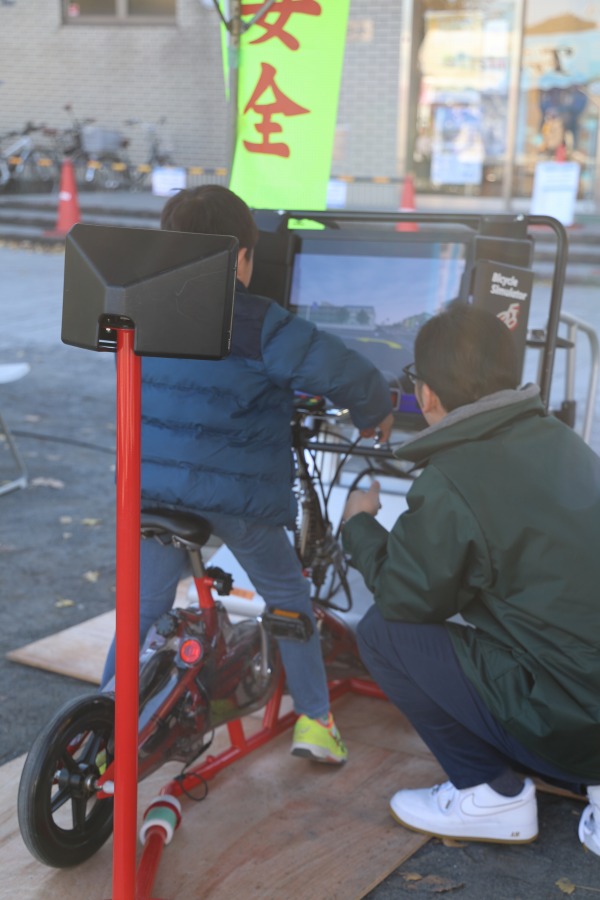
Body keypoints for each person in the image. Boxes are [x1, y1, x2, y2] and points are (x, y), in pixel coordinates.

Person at [101, 184, 394, 765]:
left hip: (151, 490)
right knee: (288, 596)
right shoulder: (261, 321)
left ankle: (106, 720)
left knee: (140, 608)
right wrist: (375, 410)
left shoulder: (142, 308)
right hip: (235, 497)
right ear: (240, 257)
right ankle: (315, 720)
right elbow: (347, 371)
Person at [341, 303, 600, 852]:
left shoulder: (453, 480)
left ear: (426, 394)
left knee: (383, 632)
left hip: (576, 722)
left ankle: (490, 794)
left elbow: (406, 597)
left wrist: (360, 527)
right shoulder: (562, 440)